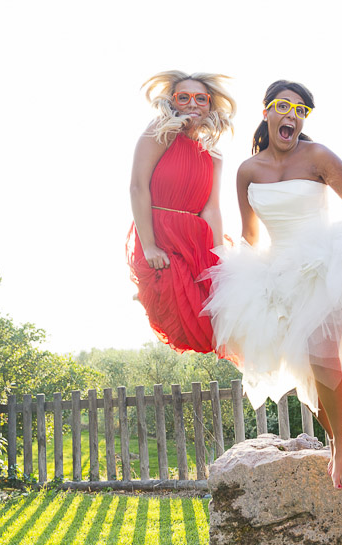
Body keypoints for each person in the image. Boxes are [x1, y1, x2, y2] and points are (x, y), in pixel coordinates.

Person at [202, 81, 342, 489]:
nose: (293, 115)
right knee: (303, 369)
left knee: (320, 347)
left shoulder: (318, 156)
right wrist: (237, 261)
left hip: (323, 263)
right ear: (266, 113)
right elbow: (250, 234)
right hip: (277, 269)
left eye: (301, 110)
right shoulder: (248, 170)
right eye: (284, 107)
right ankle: (333, 437)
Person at [126, 70, 235, 355]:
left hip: (196, 242)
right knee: (180, 317)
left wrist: (220, 258)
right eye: (183, 97)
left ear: (210, 104)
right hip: (161, 237)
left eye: (201, 98)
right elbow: (137, 187)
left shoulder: (214, 153)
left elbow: (211, 209)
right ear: (172, 101)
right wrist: (148, 246)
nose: (192, 104)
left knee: (217, 321)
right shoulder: (160, 131)